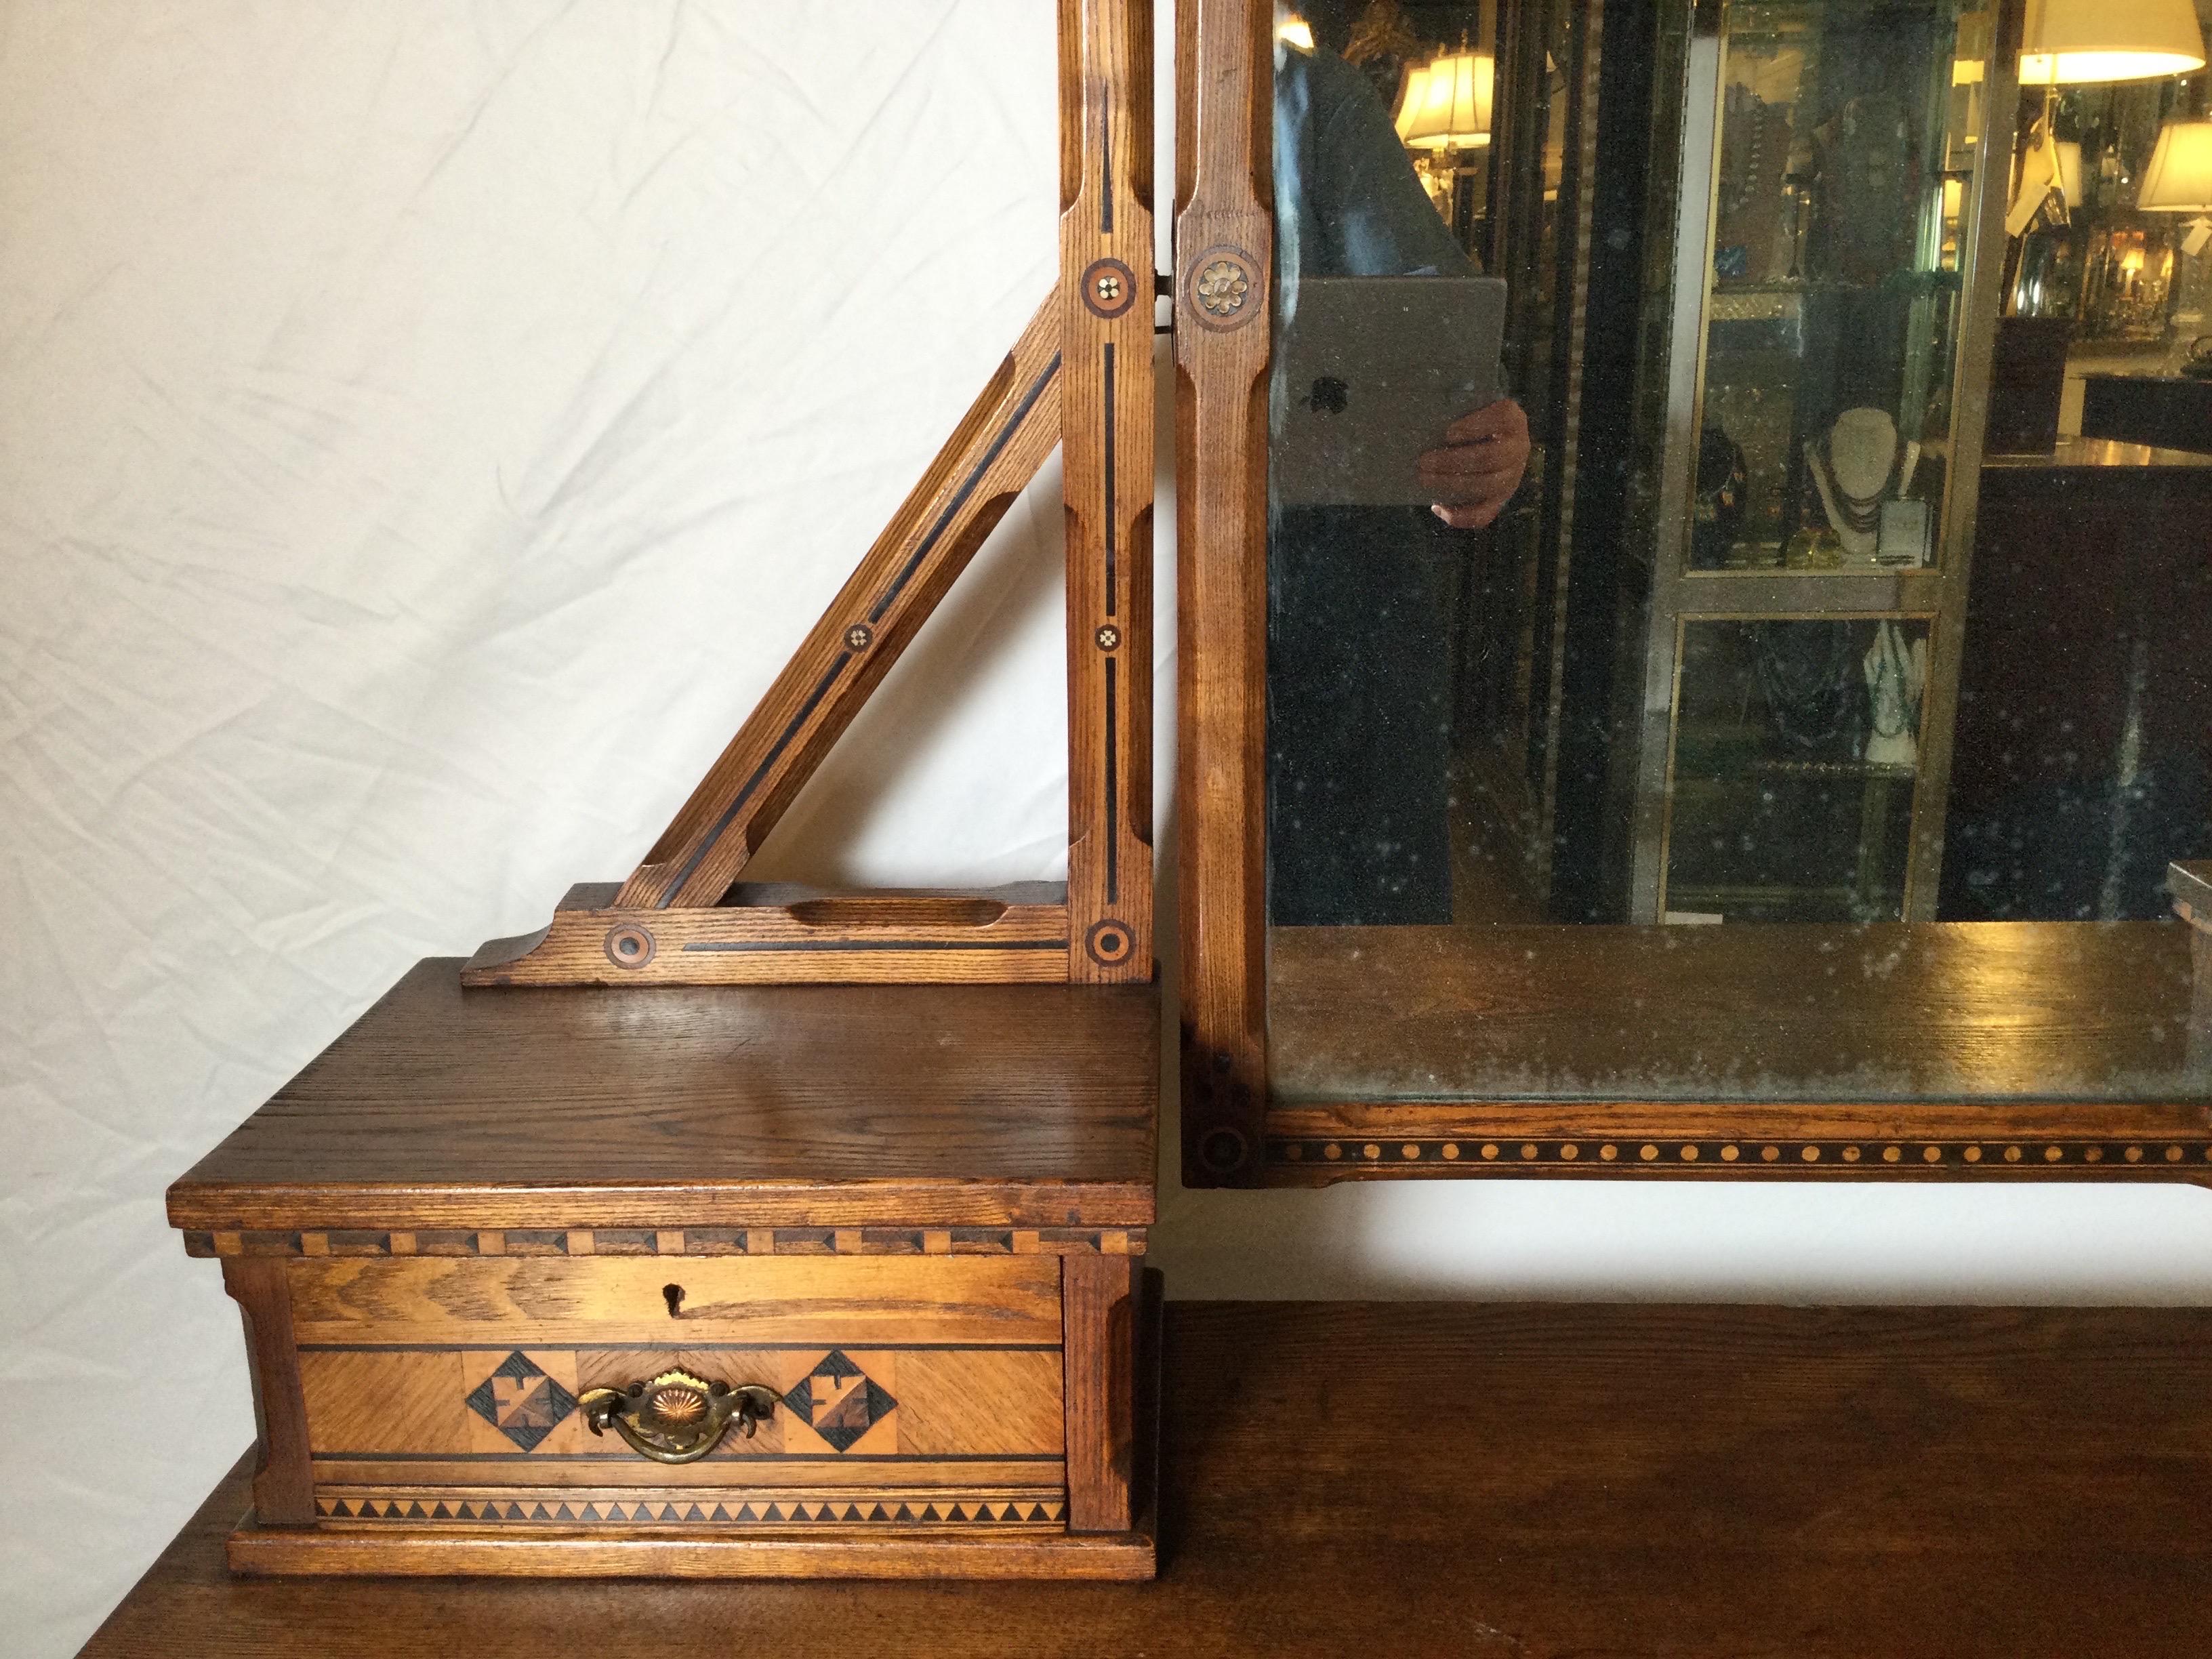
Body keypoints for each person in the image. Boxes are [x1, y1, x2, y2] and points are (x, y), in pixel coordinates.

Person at [1268, 35, 1530, 926]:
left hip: (1329, 602)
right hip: (1116, 606)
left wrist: (1483, 435)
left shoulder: (1317, 103)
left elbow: (1441, 347)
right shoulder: (1021, 107)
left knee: (1367, 967)